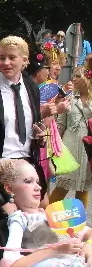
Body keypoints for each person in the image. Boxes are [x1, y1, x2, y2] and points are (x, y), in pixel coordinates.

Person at [0, 36, 50, 203]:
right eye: (2, 57)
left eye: (12, 57)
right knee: (10, 218)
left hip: (27, 161)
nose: (6, 63)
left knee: (41, 209)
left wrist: (39, 135)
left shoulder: (32, 87)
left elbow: (34, 124)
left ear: (24, 60)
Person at [49, 66, 91, 207]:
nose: (74, 79)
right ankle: (47, 218)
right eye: (74, 76)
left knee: (83, 187)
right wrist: (54, 147)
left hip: (88, 148)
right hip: (69, 146)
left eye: (78, 76)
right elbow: (60, 124)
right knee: (62, 186)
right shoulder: (69, 98)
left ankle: (79, 223)